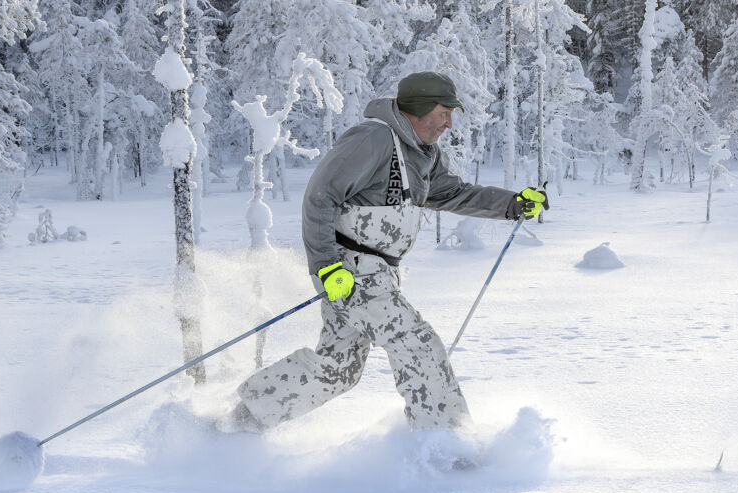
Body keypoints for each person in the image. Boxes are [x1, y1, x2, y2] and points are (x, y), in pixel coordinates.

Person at [221, 71, 548, 433]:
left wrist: (513, 204)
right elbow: (320, 196)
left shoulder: (424, 155)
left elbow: (455, 193)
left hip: (377, 274)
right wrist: (328, 268)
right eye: (444, 112)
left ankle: (241, 418)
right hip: (351, 270)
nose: (449, 122)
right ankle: (447, 445)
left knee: (338, 370)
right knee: (416, 343)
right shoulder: (374, 139)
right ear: (420, 109)